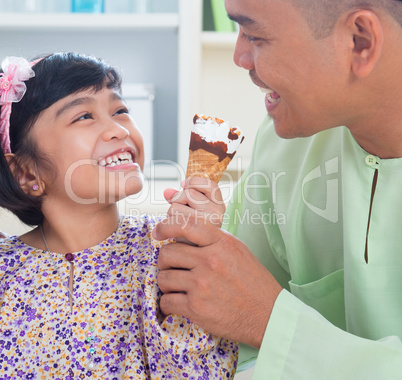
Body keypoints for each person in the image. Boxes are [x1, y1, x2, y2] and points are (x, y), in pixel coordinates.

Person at [154, 0, 402, 378]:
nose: (240, 57)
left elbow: (250, 317)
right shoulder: (284, 142)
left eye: (255, 36)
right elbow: (232, 344)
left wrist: (270, 321)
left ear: (359, 40)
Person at [0, 52, 238, 379]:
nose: (118, 130)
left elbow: (199, 371)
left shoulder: (167, 255)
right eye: (84, 116)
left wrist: (195, 252)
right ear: (26, 173)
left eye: (121, 110)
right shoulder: (5, 270)